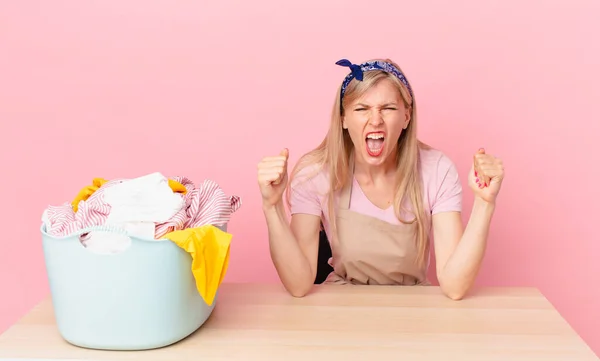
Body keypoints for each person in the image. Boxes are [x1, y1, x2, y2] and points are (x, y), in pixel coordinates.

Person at [257, 58, 505, 300]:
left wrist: (485, 204)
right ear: (343, 118)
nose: (375, 120)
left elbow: (454, 287)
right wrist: (272, 206)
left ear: (406, 117)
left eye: (388, 108)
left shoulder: (437, 170)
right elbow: (299, 284)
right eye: (362, 109)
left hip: (414, 309)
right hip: (341, 308)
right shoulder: (315, 173)